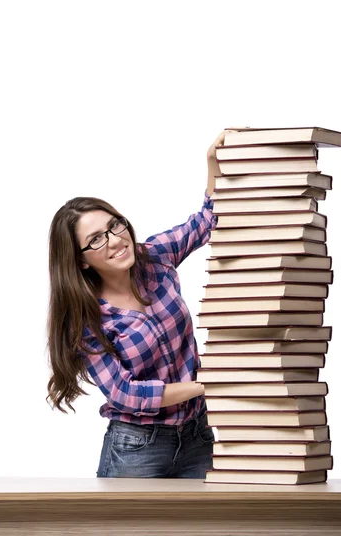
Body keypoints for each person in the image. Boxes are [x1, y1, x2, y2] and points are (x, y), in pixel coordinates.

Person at [46, 131, 226, 478]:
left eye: (115, 225)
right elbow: (124, 393)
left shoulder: (153, 257)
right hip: (137, 450)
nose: (115, 241)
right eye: (96, 239)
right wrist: (208, 385)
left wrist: (213, 165)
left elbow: (205, 222)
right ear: (80, 260)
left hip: (198, 436)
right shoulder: (86, 319)